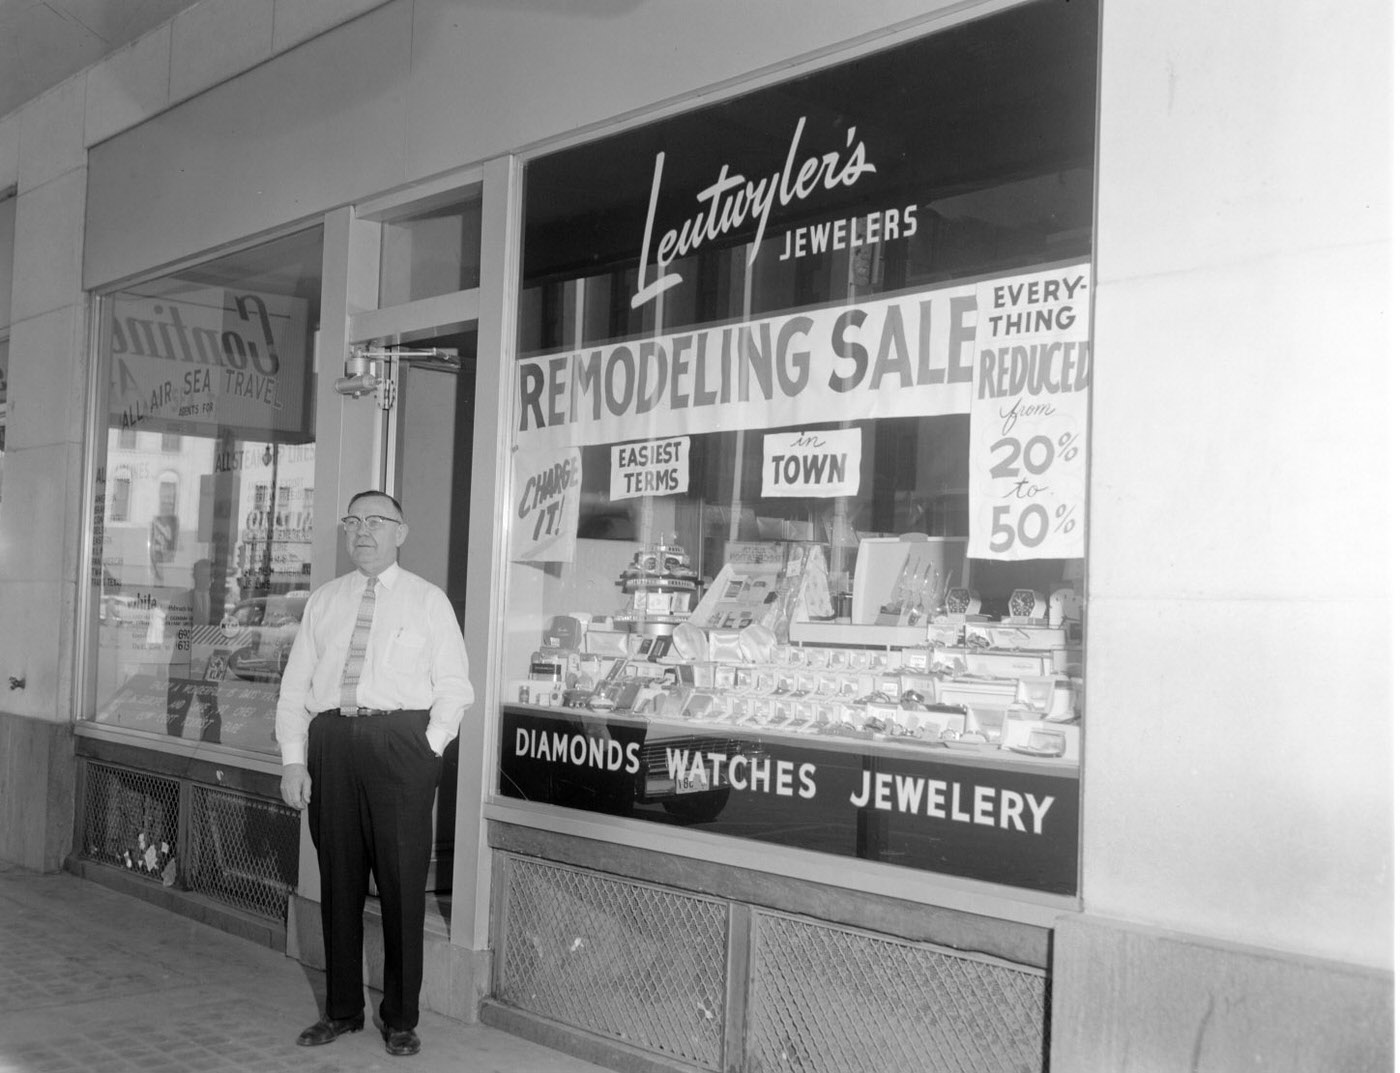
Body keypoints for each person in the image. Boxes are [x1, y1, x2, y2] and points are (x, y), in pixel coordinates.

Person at [275, 491, 473, 1058]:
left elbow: (455, 687)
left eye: (376, 522)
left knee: (402, 885)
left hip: (401, 746)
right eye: (353, 522)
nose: (363, 532)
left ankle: (401, 1017)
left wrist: (426, 748)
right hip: (332, 744)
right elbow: (295, 688)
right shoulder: (324, 602)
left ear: (400, 534)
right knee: (337, 880)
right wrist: (294, 759)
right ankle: (342, 1012)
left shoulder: (428, 601)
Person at [166, 558, 222, 742]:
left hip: (209, 665)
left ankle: (209, 753)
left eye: (210, 575)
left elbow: (223, 635)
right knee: (177, 713)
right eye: (203, 575)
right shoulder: (181, 599)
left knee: (211, 713)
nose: (207, 579)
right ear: (194, 576)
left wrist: (219, 667)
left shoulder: (218, 602)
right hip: (183, 665)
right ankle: (174, 751)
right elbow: (169, 629)